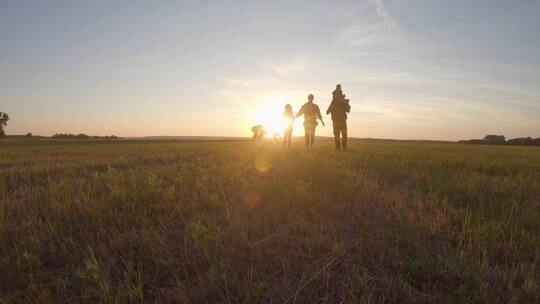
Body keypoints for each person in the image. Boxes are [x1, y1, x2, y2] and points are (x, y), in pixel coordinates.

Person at [326, 84, 351, 151]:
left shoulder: (338, 101)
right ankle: (340, 149)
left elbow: (348, 110)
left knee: (342, 135)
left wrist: (345, 103)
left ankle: (342, 149)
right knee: (339, 136)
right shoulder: (334, 101)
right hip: (338, 121)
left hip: (340, 121)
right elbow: (328, 112)